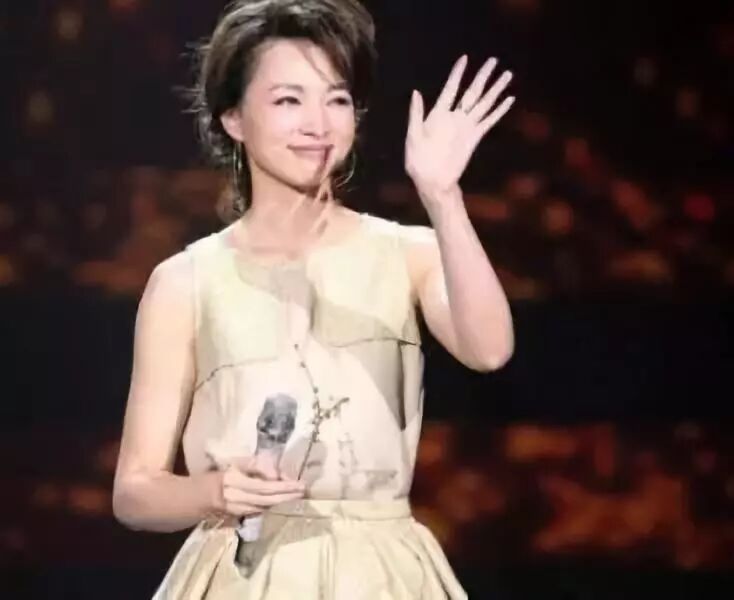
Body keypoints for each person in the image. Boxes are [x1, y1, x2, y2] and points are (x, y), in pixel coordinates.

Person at [112, 0, 515, 597]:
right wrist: (215, 490)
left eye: (337, 100)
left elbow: (489, 349)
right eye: (288, 100)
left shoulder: (409, 252)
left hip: (380, 572)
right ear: (233, 118)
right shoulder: (185, 281)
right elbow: (135, 491)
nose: (318, 124)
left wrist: (442, 196)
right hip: (245, 573)